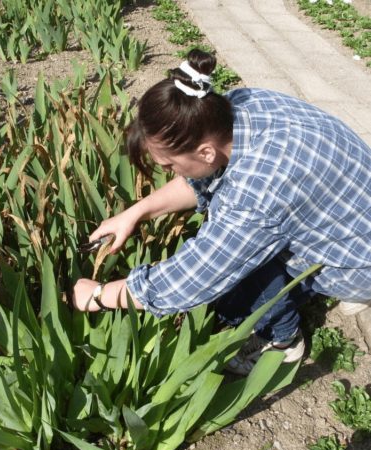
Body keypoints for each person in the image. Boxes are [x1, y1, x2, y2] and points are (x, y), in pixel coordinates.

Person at [71, 48, 371, 375]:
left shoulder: (258, 192)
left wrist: (100, 295)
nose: (171, 172)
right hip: (350, 217)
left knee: (228, 295)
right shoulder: (242, 104)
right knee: (233, 228)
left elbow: (193, 278)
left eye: (170, 165)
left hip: (358, 263)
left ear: (205, 152)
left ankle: (282, 342)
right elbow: (203, 177)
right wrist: (135, 213)